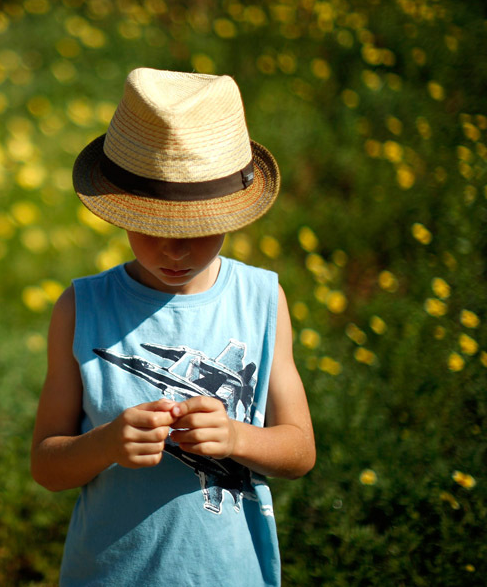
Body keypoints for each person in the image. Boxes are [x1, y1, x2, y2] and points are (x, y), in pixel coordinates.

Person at [30, 68, 316, 586]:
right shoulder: (80, 307)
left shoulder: (262, 300)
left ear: (232, 214)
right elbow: (47, 465)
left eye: (199, 228)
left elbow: (299, 451)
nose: (175, 249)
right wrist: (106, 444)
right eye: (153, 226)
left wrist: (233, 436)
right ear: (118, 212)